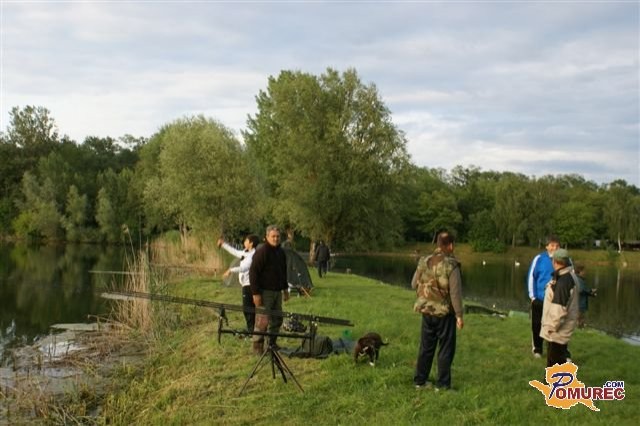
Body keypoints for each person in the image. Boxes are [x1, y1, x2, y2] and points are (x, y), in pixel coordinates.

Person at [412, 232, 464, 390]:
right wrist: (459, 315)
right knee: (446, 349)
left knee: (426, 347)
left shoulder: (424, 260)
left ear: (438, 244)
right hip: (444, 314)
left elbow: (413, 284)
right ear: (451, 245)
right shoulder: (452, 265)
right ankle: (442, 385)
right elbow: (455, 293)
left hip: (426, 311)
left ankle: (420, 381)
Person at [249, 225, 289, 354]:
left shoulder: (281, 253)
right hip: (264, 292)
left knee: (277, 319)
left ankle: (271, 344)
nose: (276, 239)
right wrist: (255, 293)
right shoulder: (262, 252)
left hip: (277, 292)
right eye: (273, 236)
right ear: (267, 237)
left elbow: (283, 272)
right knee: (262, 321)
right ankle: (257, 348)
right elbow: (253, 272)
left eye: (278, 236)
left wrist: (285, 290)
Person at [540, 248, 580, 367]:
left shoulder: (563, 282)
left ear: (555, 262)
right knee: (558, 362)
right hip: (561, 329)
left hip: (557, 332)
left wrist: (550, 328)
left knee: (554, 364)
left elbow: (558, 309)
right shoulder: (568, 276)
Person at [218, 234, 260, 333]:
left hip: (250, 285)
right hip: (246, 284)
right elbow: (235, 252)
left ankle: (251, 330)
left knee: (248, 309)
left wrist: (231, 270)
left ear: (251, 243)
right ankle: (252, 329)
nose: (244, 242)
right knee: (248, 308)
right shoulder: (246, 253)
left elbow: (244, 268)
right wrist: (223, 244)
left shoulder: (252, 255)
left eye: (246, 241)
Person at [526, 235, 560, 358]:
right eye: (552, 245)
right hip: (540, 298)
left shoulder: (565, 260)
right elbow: (531, 277)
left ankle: (556, 351)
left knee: (557, 326)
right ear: (547, 246)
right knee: (537, 324)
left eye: (557, 246)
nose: (555, 248)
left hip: (557, 300)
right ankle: (537, 349)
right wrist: (533, 296)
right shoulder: (539, 259)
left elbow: (570, 277)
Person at [574, 263, 597, 328]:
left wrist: (591, 292)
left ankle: (581, 327)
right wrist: (590, 292)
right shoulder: (579, 279)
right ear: (580, 271)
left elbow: (583, 290)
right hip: (579, 303)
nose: (585, 272)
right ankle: (579, 328)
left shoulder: (579, 279)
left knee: (581, 317)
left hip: (580, 303)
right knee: (579, 317)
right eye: (584, 271)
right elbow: (581, 290)